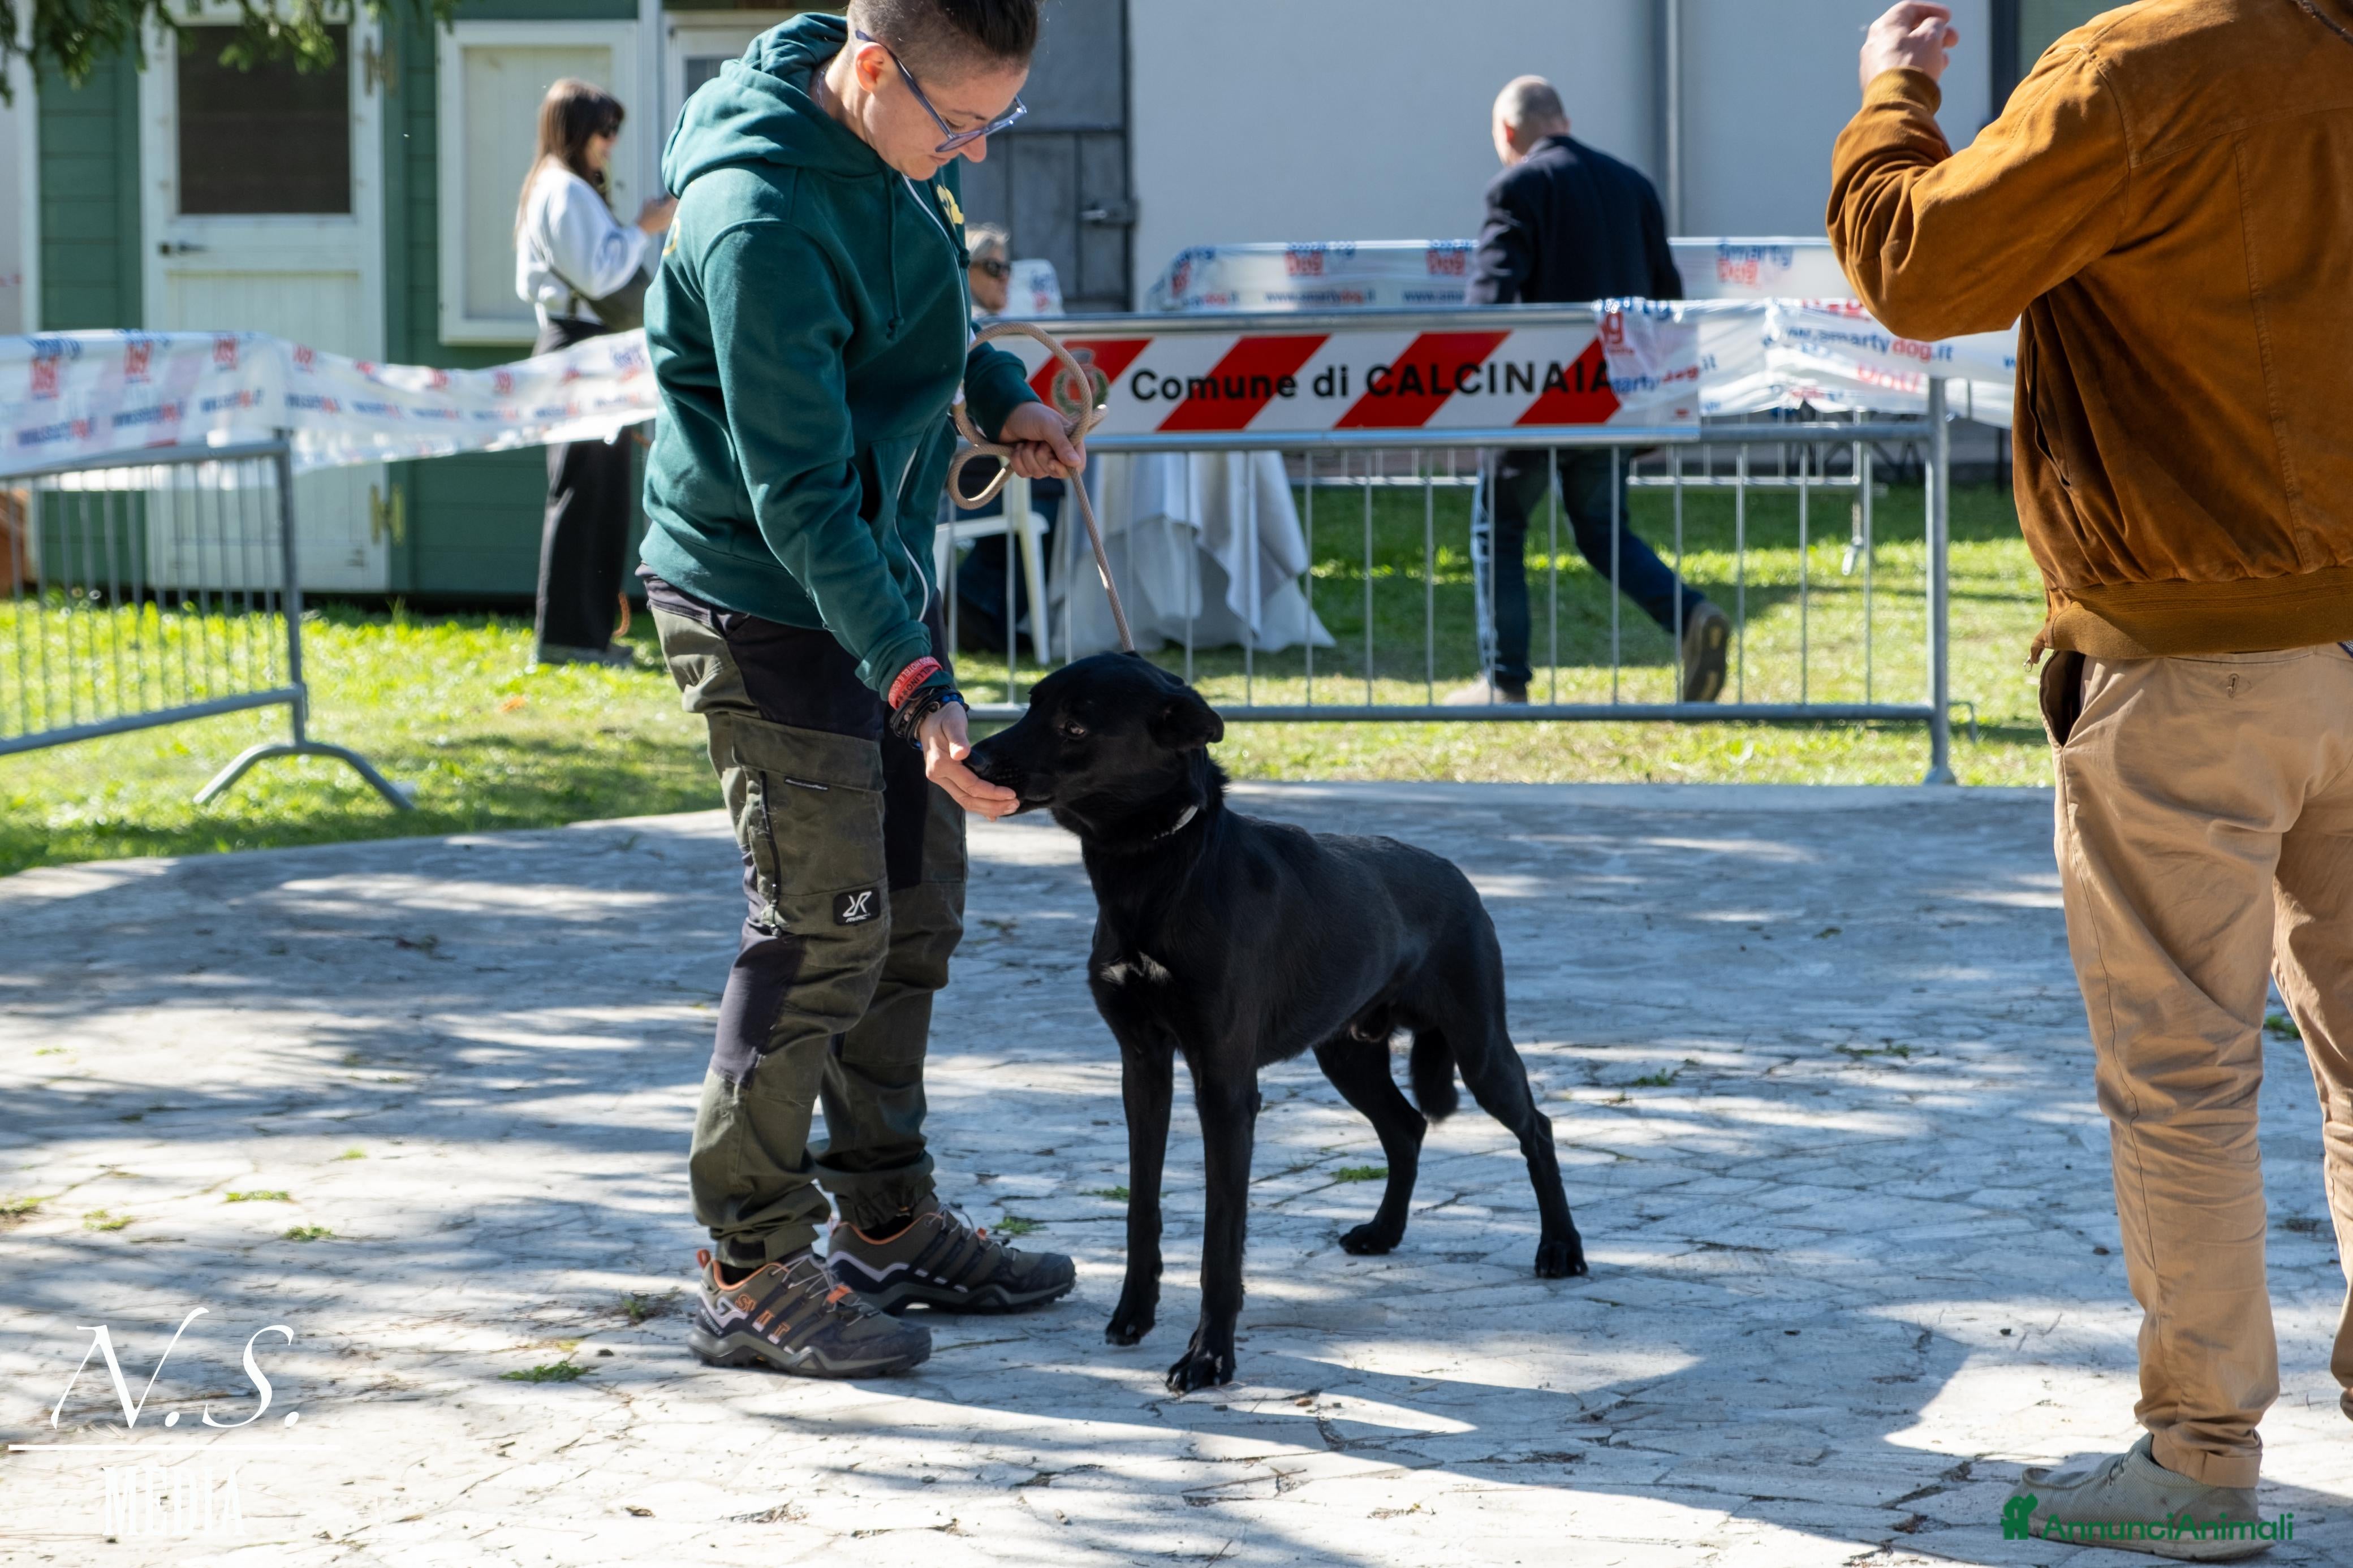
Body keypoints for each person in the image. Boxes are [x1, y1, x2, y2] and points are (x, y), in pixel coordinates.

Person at [1829, 1, 2353, 1550]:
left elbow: (1917, 268)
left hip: (2186, 654)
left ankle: (2200, 1460)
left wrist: (1893, 94)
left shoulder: (2133, 70)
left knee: (2185, 1074)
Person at [637, 0, 1086, 1378]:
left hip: (869, 578)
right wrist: (914, 676)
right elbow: (800, 498)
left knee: (913, 906)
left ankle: (885, 1224)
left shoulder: (897, 146)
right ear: (873, 68)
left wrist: (997, 392)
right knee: (818, 927)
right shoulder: (759, 221)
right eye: (962, 126)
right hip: (763, 598)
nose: (976, 154)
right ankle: (747, 1260)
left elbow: (931, 321)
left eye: (998, 123)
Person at [1454, 75, 1729, 707]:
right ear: (1563, 120)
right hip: (1613, 400)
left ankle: (1504, 682)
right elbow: (1666, 299)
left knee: (1498, 529)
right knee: (1603, 532)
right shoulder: (1632, 185)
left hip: (1534, 398)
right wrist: (1654, 407)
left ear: (1507, 131)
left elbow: (1488, 301)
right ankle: (1690, 614)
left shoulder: (1516, 187)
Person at [515, 79, 675, 669]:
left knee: (600, 493)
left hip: (586, 349)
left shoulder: (558, 187)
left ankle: (587, 635)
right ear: (577, 131)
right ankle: (569, 639)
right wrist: (643, 227)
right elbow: (600, 274)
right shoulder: (562, 189)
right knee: (583, 492)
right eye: (604, 131)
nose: (611, 143)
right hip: (580, 349)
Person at [950, 222, 1062, 651]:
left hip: (984, 463)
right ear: (965, 270)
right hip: (961, 469)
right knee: (1044, 491)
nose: (1005, 278)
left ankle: (978, 606)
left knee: (1042, 487)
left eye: (1008, 268)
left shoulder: (998, 328)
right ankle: (975, 605)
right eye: (992, 267)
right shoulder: (965, 327)